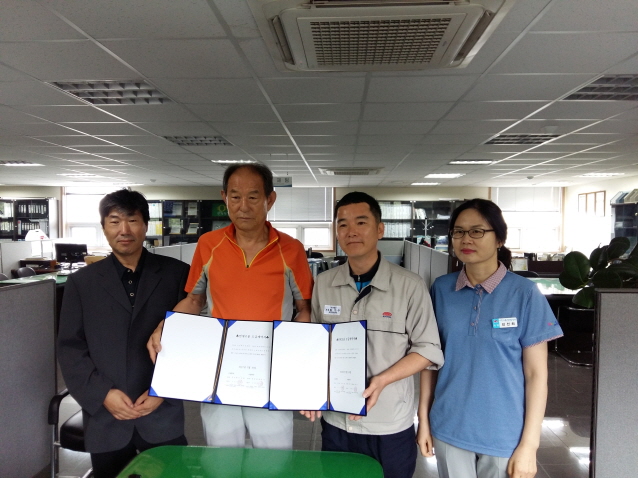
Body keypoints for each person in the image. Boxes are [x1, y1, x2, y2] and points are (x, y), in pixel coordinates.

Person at [147, 163, 313, 449]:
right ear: (224, 198)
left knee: (273, 459)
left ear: (270, 199)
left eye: (253, 196)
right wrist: (166, 326)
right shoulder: (208, 244)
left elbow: (305, 308)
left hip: (270, 371)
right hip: (219, 368)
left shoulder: (291, 249)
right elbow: (194, 299)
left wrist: (296, 357)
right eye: (235, 197)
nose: (243, 206)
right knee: (221, 457)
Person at [302, 191, 444, 477]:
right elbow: (317, 345)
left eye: (361, 222)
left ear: (380, 229)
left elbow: (428, 349)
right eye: (343, 224)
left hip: (389, 424)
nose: (351, 231)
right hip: (337, 421)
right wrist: (309, 390)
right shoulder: (324, 283)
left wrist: (383, 380)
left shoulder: (409, 286)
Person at [425, 198, 563, 478]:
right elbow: (429, 361)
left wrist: (530, 445)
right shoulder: (441, 289)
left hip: (505, 433)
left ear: (499, 238)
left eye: (477, 231)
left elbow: (537, 375)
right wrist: (424, 420)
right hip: (449, 426)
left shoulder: (525, 293)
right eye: (458, 231)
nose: (466, 239)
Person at [57, 189, 190, 478]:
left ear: (146, 225)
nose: (124, 230)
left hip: (161, 412)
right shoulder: (82, 282)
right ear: (104, 227)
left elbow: (190, 342)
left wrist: (163, 391)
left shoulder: (177, 274)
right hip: (107, 416)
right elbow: (70, 348)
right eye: (115, 221)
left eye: (132, 220)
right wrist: (102, 394)